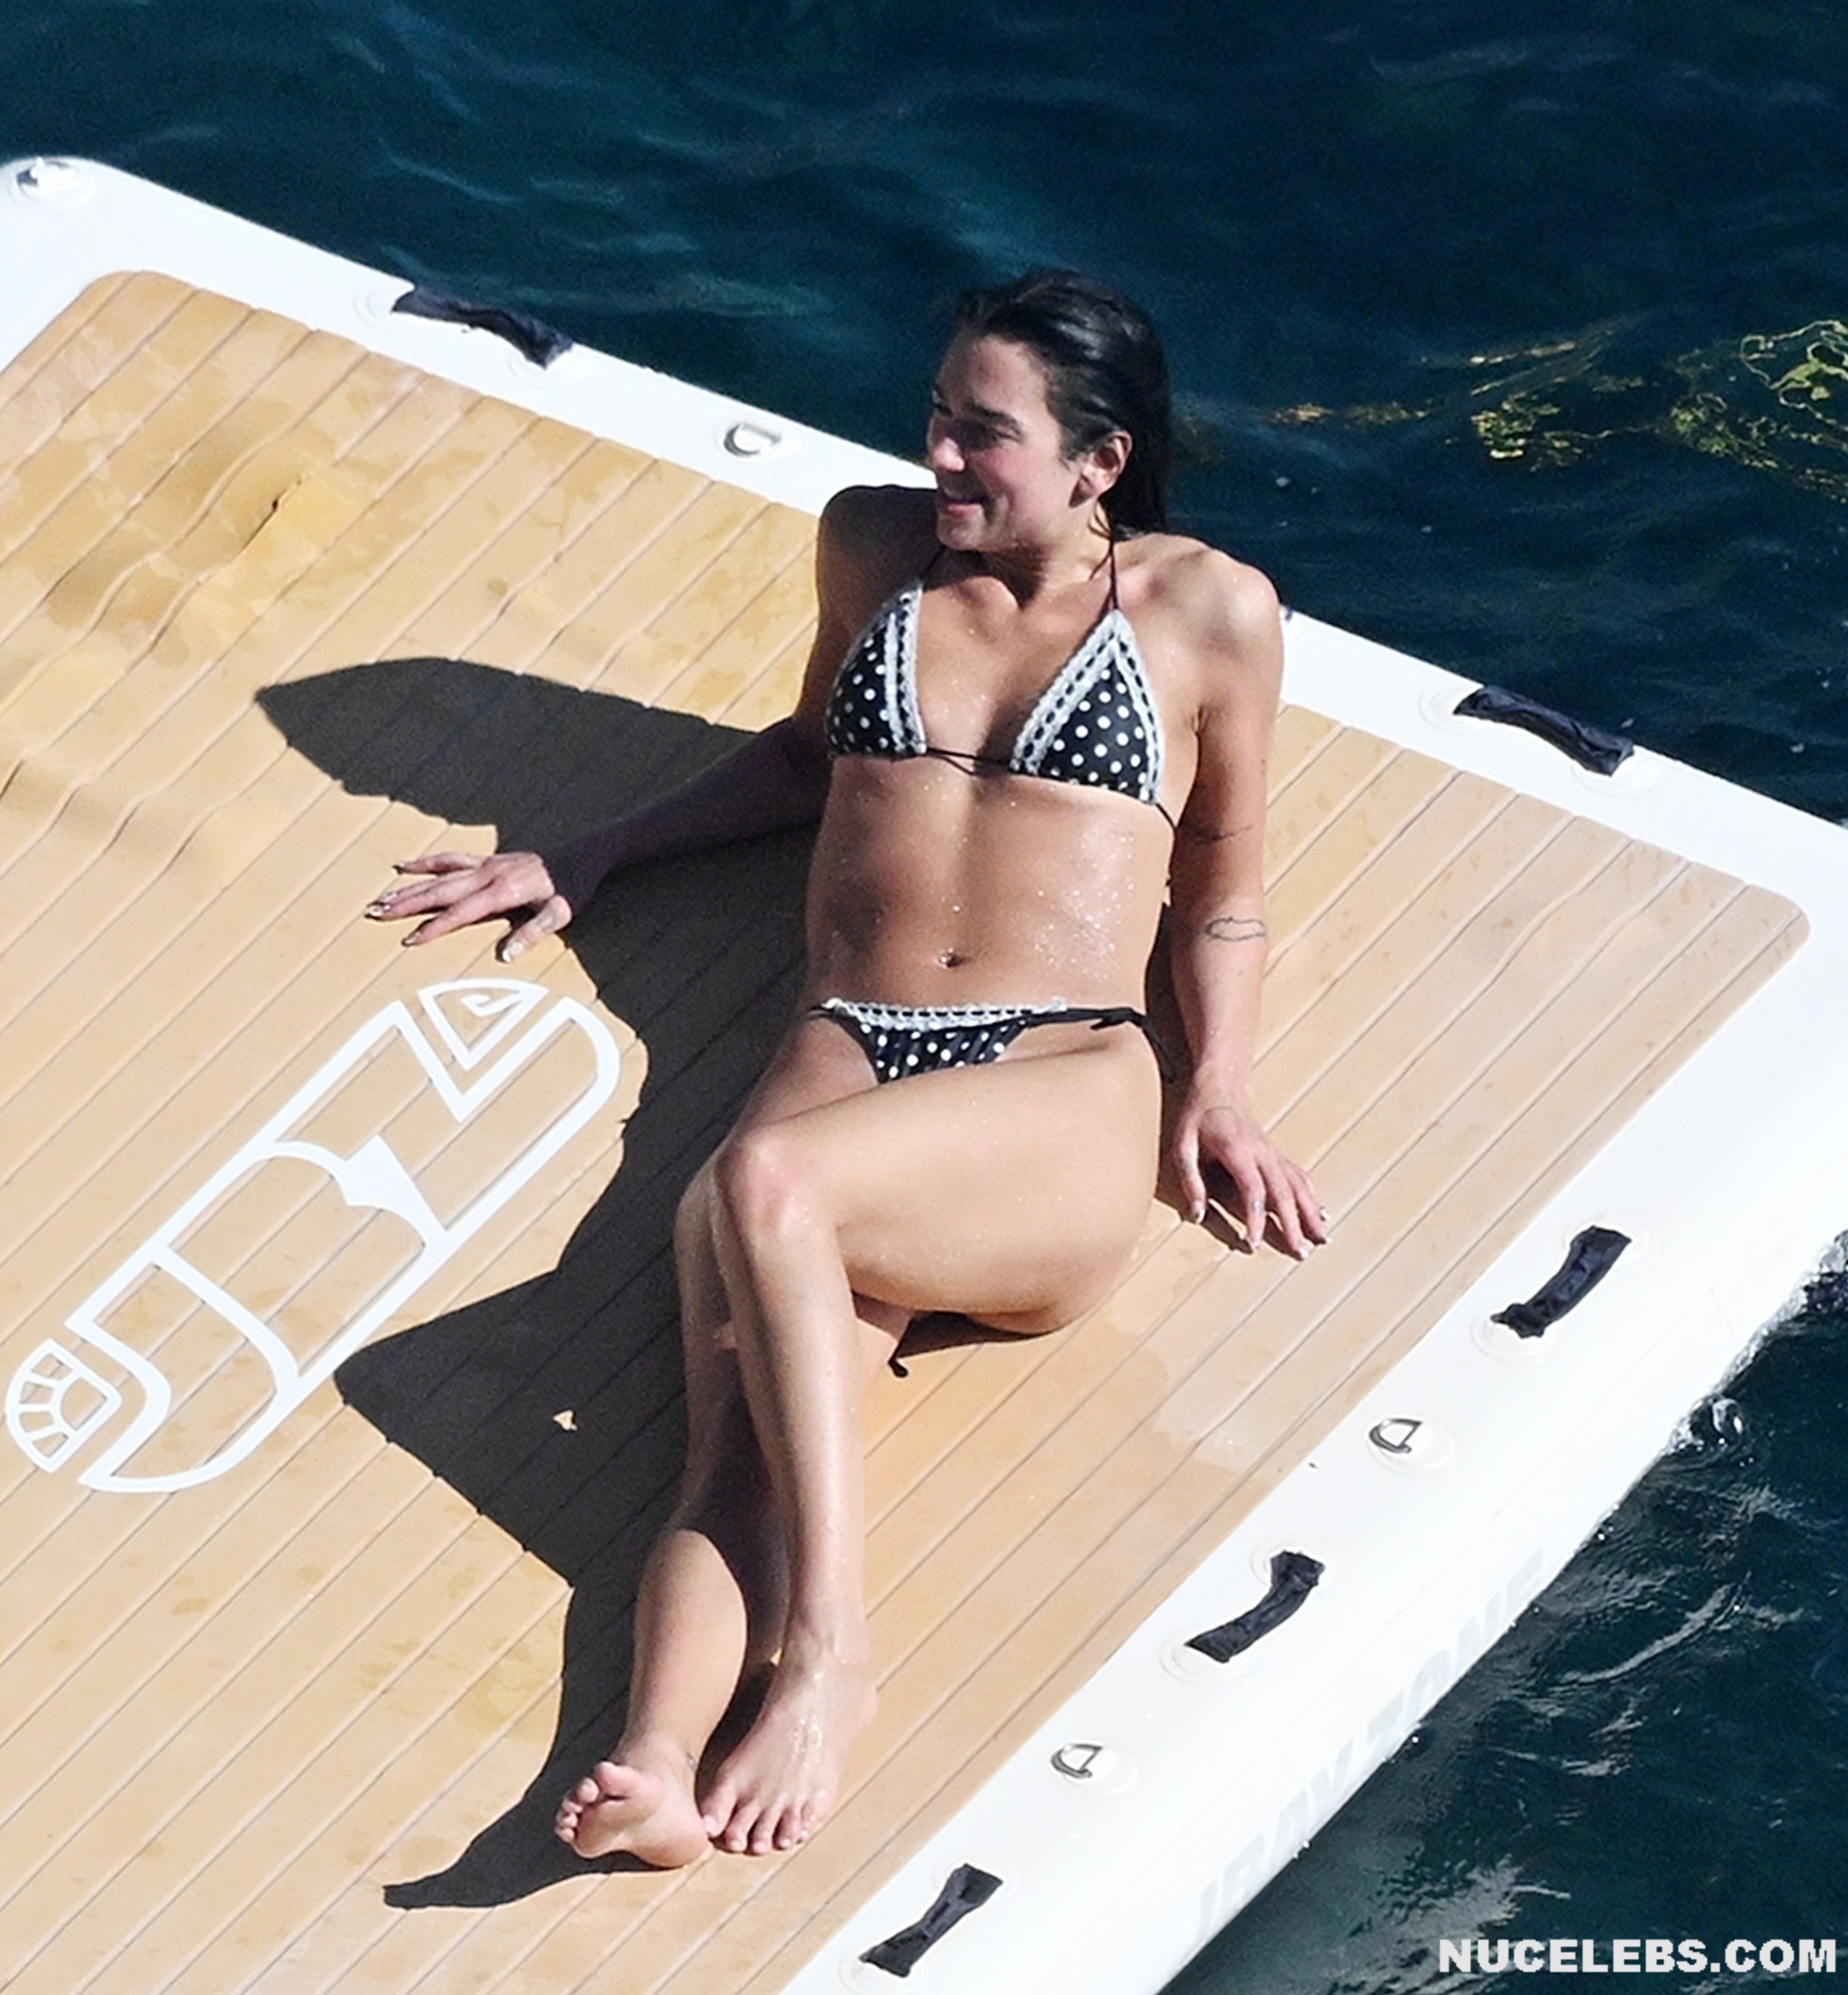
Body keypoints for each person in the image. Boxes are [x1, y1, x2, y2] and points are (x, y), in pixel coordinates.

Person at [363, 271, 1326, 1866]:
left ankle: (832, 1658)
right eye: (938, 416)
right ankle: (655, 1764)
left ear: (1099, 460)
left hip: (1054, 1077)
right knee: (735, 1447)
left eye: (984, 435)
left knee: (761, 1183)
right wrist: (596, 850)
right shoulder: (876, 549)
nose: (939, 454)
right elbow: (808, 755)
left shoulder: (1207, 612)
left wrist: (1215, 1085)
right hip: (849, 1052)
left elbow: (1223, 878)